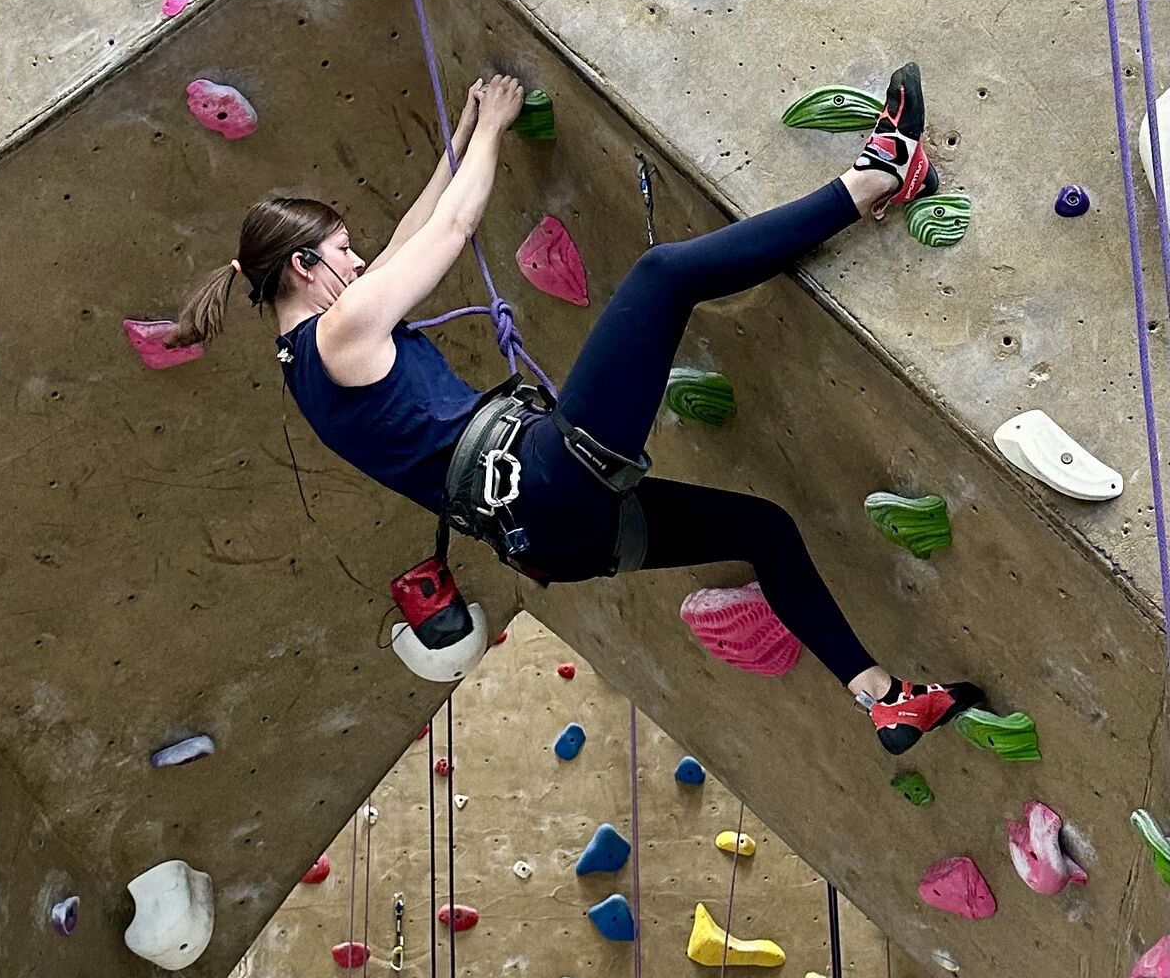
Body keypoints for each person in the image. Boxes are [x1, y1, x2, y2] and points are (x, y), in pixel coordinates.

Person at [168, 63, 984, 754]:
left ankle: (881, 696)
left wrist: (463, 134)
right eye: (343, 251)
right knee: (663, 276)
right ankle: (882, 172)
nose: (357, 260)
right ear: (307, 268)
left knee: (761, 530)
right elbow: (449, 231)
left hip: (554, 537)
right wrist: (492, 130)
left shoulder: (308, 362)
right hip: (544, 478)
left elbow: (408, 239)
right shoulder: (341, 334)